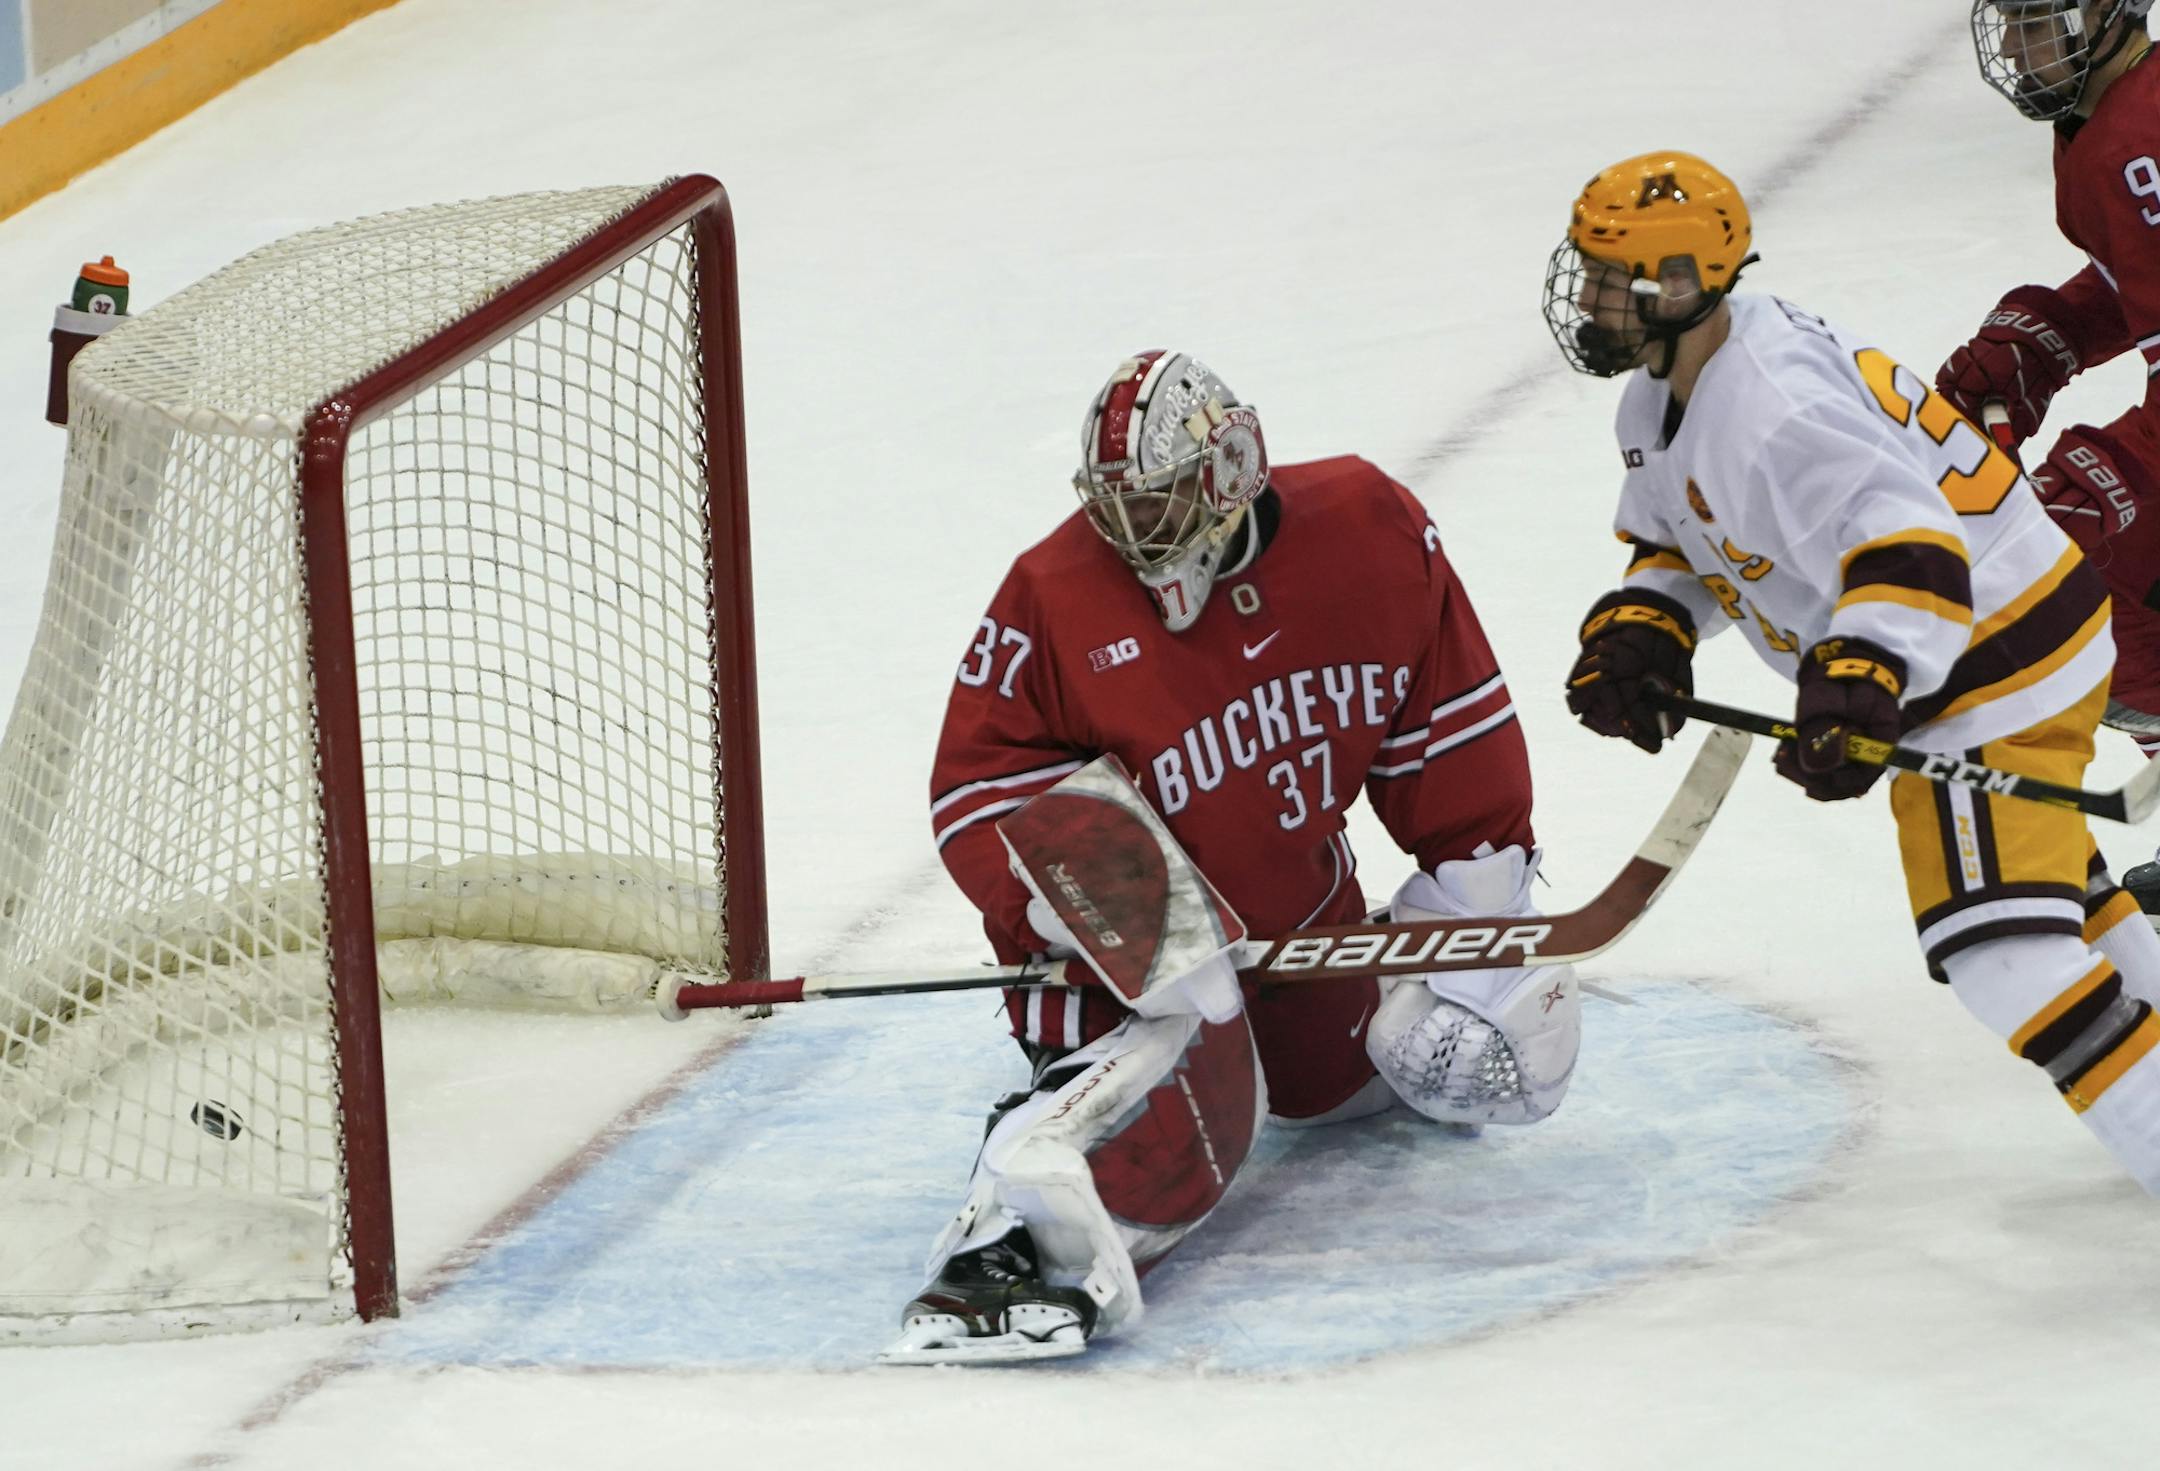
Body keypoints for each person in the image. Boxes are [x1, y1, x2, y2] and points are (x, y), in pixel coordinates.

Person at [896, 350, 1576, 1360]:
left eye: (1158, 502)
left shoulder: (1366, 525)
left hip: (1302, 939)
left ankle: (1283, 1016)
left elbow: (1444, 715)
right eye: (1114, 506)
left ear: (1231, 469)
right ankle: (1006, 1235)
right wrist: (1132, 916)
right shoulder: (1055, 591)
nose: (1130, 534)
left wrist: (1475, 910)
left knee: (1386, 1074)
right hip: (1122, 982)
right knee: (1169, 1076)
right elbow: (978, 782)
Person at [1546, 151, 2160, 1200]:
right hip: (2014, 630)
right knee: (2059, 896)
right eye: (1590, 269)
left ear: (1686, 284)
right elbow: (1685, 539)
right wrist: (1646, 632)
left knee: (2004, 954)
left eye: (1615, 278)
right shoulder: (1669, 395)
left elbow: (1910, 545)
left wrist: (1859, 679)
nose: (1589, 297)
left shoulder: (1770, 412)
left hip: (1984, 662)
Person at [1938, 2, 2160, 903]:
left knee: (2073, 549)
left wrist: (2121, 474)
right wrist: (2054, 333)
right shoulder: (2103, 123)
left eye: (2038, 23)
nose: (2016, 49)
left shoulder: (2137, 140)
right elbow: (2136, 278)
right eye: (2012, 22)